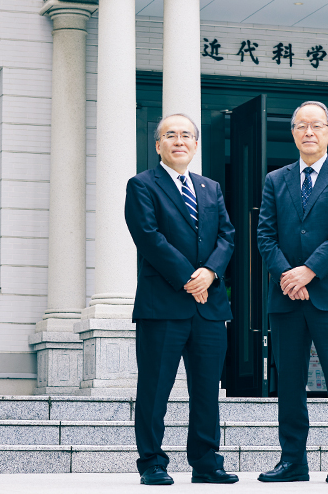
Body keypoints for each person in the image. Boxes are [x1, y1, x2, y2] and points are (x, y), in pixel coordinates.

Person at [125, 114, 238, 485]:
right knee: (155, 387)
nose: (179, 141)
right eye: (170, 135)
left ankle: (206, 462)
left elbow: (227, 236)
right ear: (158, 144)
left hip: (209, 308)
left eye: (186, 135)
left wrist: (211, 272)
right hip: (162, 305)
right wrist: (190, 277)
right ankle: (152, 462)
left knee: (206, 390)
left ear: (195, 144)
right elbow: (149, 237)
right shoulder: (142, 185)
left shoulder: (210, 188)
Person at [256, 101, 328, 483]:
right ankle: (292, 461)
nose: (308, 132)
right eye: (301, 125)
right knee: (289, 382)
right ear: (292, 133)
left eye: (316, 125)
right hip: (286, 296)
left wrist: (308, 272)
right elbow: (265, 235)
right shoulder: (275, 180)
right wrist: (289, 276)